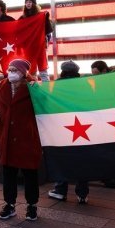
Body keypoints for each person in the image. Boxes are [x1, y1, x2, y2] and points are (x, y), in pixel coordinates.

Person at [0, 58, 42, 221]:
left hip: (27, 138)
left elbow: (44, 107)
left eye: (14, 70)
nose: (10, 72)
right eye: (9, 69)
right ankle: (9, 205)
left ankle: (32, 206)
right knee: (9, 174)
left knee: (30, 174)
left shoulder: (33, 88)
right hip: (7, 137)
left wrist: (38, 89)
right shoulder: (2, 86)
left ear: (23, 72)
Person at [47, 61, 90, 204]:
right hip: (83, 126)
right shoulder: (85, 84)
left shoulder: (58, 85)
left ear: (62, 71)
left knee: (62, 157)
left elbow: (52, 104)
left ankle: (60, 190)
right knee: (83, 159)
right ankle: (82, 194)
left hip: (63, 126)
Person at [89, 60, 115, 190]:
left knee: (114, 149)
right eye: (92, 74)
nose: (94, 77)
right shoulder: (105, 80)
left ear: (104, 71)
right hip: (107, 118)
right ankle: (109, 177)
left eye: (96, 74)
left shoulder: (113, 81)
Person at [19, 0, 53, 82]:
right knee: (31, 71)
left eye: (30, 2)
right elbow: (18, 30)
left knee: (43, 71)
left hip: (40, 46)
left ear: (34, 4)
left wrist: (46, 41)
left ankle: (46, 91)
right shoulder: (22, 18)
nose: (28, 4)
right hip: (29, 48)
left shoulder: (40, 16)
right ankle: (34, 92)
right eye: (26, 2)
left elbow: (48, 31)